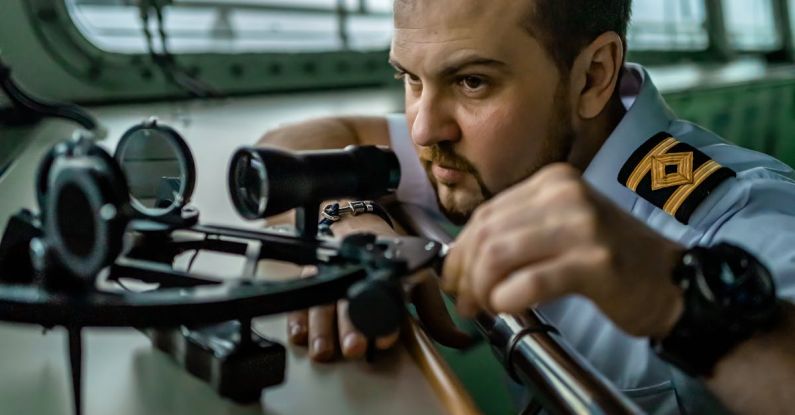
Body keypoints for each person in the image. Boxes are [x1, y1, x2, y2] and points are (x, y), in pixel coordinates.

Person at [257, 0, 795, 413]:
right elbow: (289, 146)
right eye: (410, 79)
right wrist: (355, 225)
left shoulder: (732, 208)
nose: (423, 128)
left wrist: (672, 296)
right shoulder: (485, 148)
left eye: (472, 82)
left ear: (593, 76)